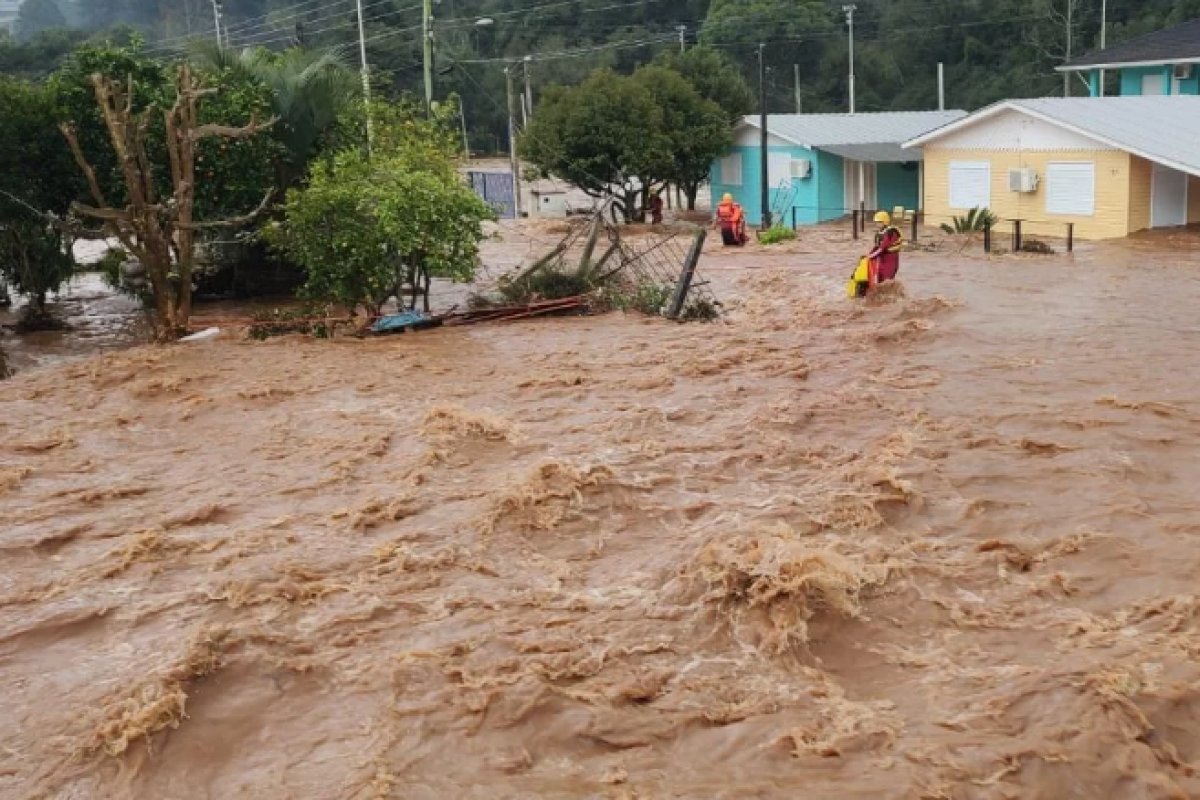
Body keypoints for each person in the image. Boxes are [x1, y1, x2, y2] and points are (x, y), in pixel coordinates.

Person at [866, 211, 903, 289]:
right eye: (876, 222)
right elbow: (876, 247)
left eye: (879, 222)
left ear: (885, 222)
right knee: (880, 281)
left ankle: (891, 298)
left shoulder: (891, 232)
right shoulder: (879, 233)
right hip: (882, 260)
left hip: (891, 260)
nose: (877, 224)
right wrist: (868, 255)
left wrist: (870, 257)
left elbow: (882, 248)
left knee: (887, 282)